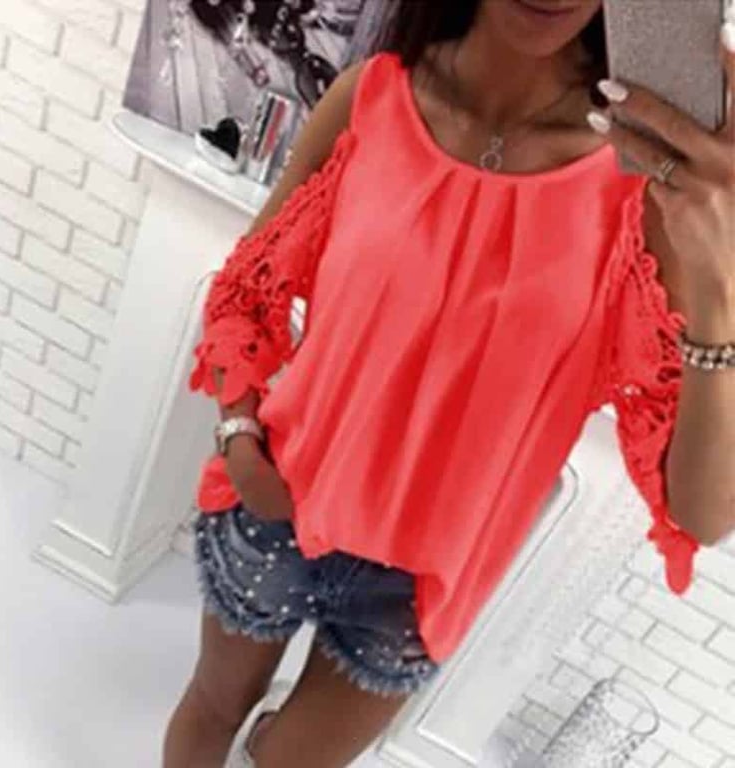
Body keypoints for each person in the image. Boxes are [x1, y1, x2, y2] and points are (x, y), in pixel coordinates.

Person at [164, 1, 735, 766]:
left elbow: (703, 512)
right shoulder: (372, 98)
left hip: (418, 585)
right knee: (212, 706)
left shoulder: (642, 192)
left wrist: (721, 277)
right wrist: (239, 435)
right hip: (280, 502)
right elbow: (246, 289)